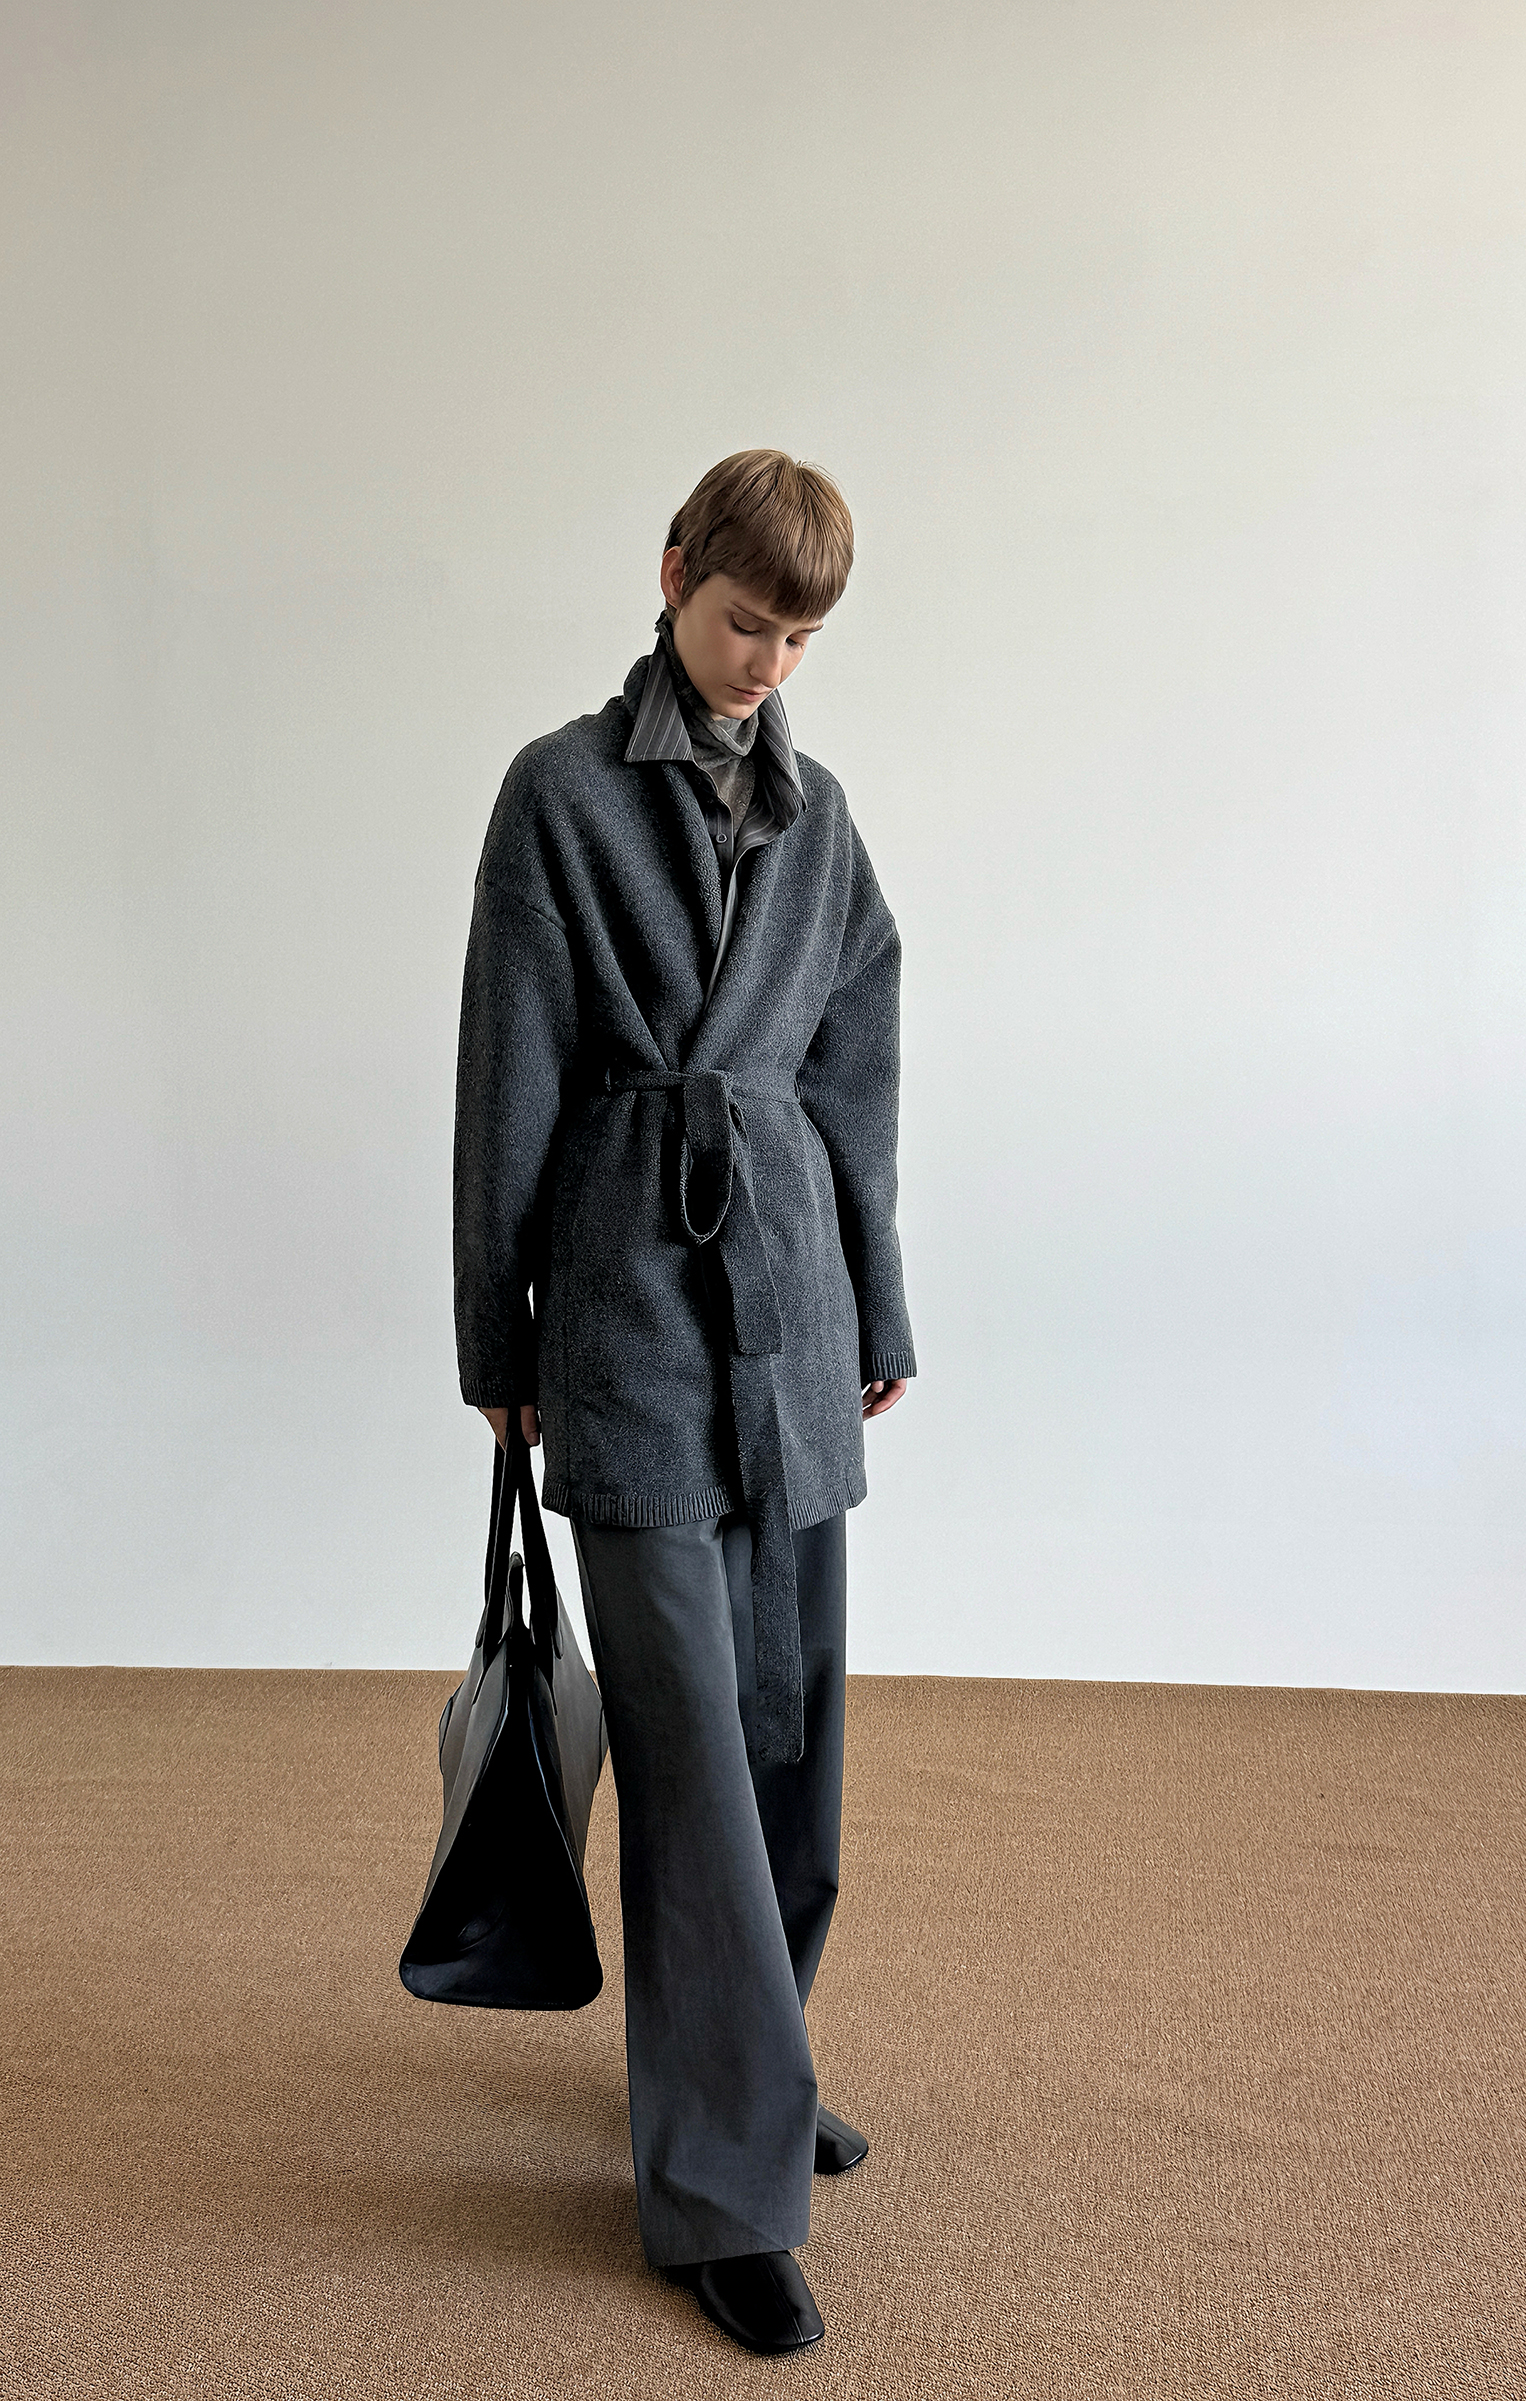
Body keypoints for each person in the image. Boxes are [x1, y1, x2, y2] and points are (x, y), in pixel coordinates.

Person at [452, 449, 917, 2356]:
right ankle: (723, 2187)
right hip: (633, 1315)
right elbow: (507, 1076)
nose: (765, 664)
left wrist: (879, 1299)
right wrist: (500, 1350)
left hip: (792, 1313)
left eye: (799, 639)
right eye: (744, 622)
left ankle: (753, 2058)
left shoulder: (824, 820)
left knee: (793, 1737)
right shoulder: (560, 793)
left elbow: (858, 1072)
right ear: (670, 576)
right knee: (697, 1757)